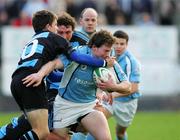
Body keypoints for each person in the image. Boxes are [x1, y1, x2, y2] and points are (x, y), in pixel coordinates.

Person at [3, 9, 114, 140]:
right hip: (34, 82)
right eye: (56, 26)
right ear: (49, 26)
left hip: (17, 80)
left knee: (35, 125)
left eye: (67, 32)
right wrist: (103, 63)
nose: (60, 33)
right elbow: (76, 57)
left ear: (73, 31)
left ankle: (4, 133)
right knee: (41, 131)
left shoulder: (34, 39)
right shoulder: (56, 39)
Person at [47, 30, 131, 140]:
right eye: (106, 51)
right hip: (65, 104)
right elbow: (54, 65)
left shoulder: (110, 62)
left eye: (110, 51)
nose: (108, 54)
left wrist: (113, 87)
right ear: (94, 48)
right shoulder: (77, 53)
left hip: (88, 106)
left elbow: (128, 87)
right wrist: (40, 74)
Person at [86, 30, 141, 140]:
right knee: (95, 125)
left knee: (120, 133)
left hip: (127, 103)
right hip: (109, 101)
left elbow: (134, 88)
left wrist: (113, 94)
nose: (118, 46)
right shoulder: (106, 56)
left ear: (127, 45)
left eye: (122, 44)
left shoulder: (131, 61)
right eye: (116, 43)